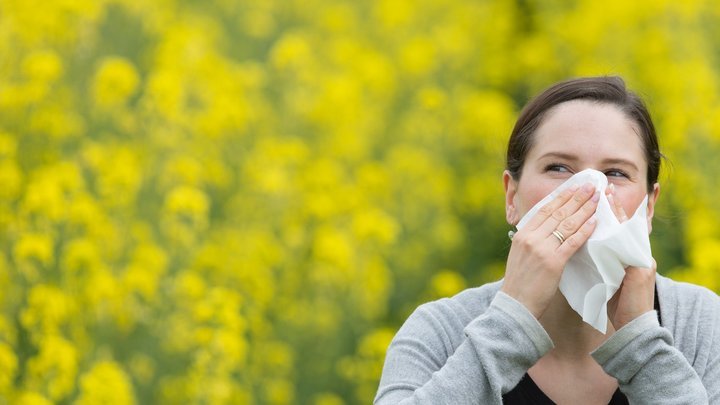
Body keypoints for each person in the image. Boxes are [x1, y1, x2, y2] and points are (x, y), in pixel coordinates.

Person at [374, 76, 720, 404]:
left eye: (615, 173)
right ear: (512, 197)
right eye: (559, 168)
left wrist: (641, 343)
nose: (590, 191)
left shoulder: (701, 324)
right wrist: (510, 322)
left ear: (649, 206)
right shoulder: (440, 331)